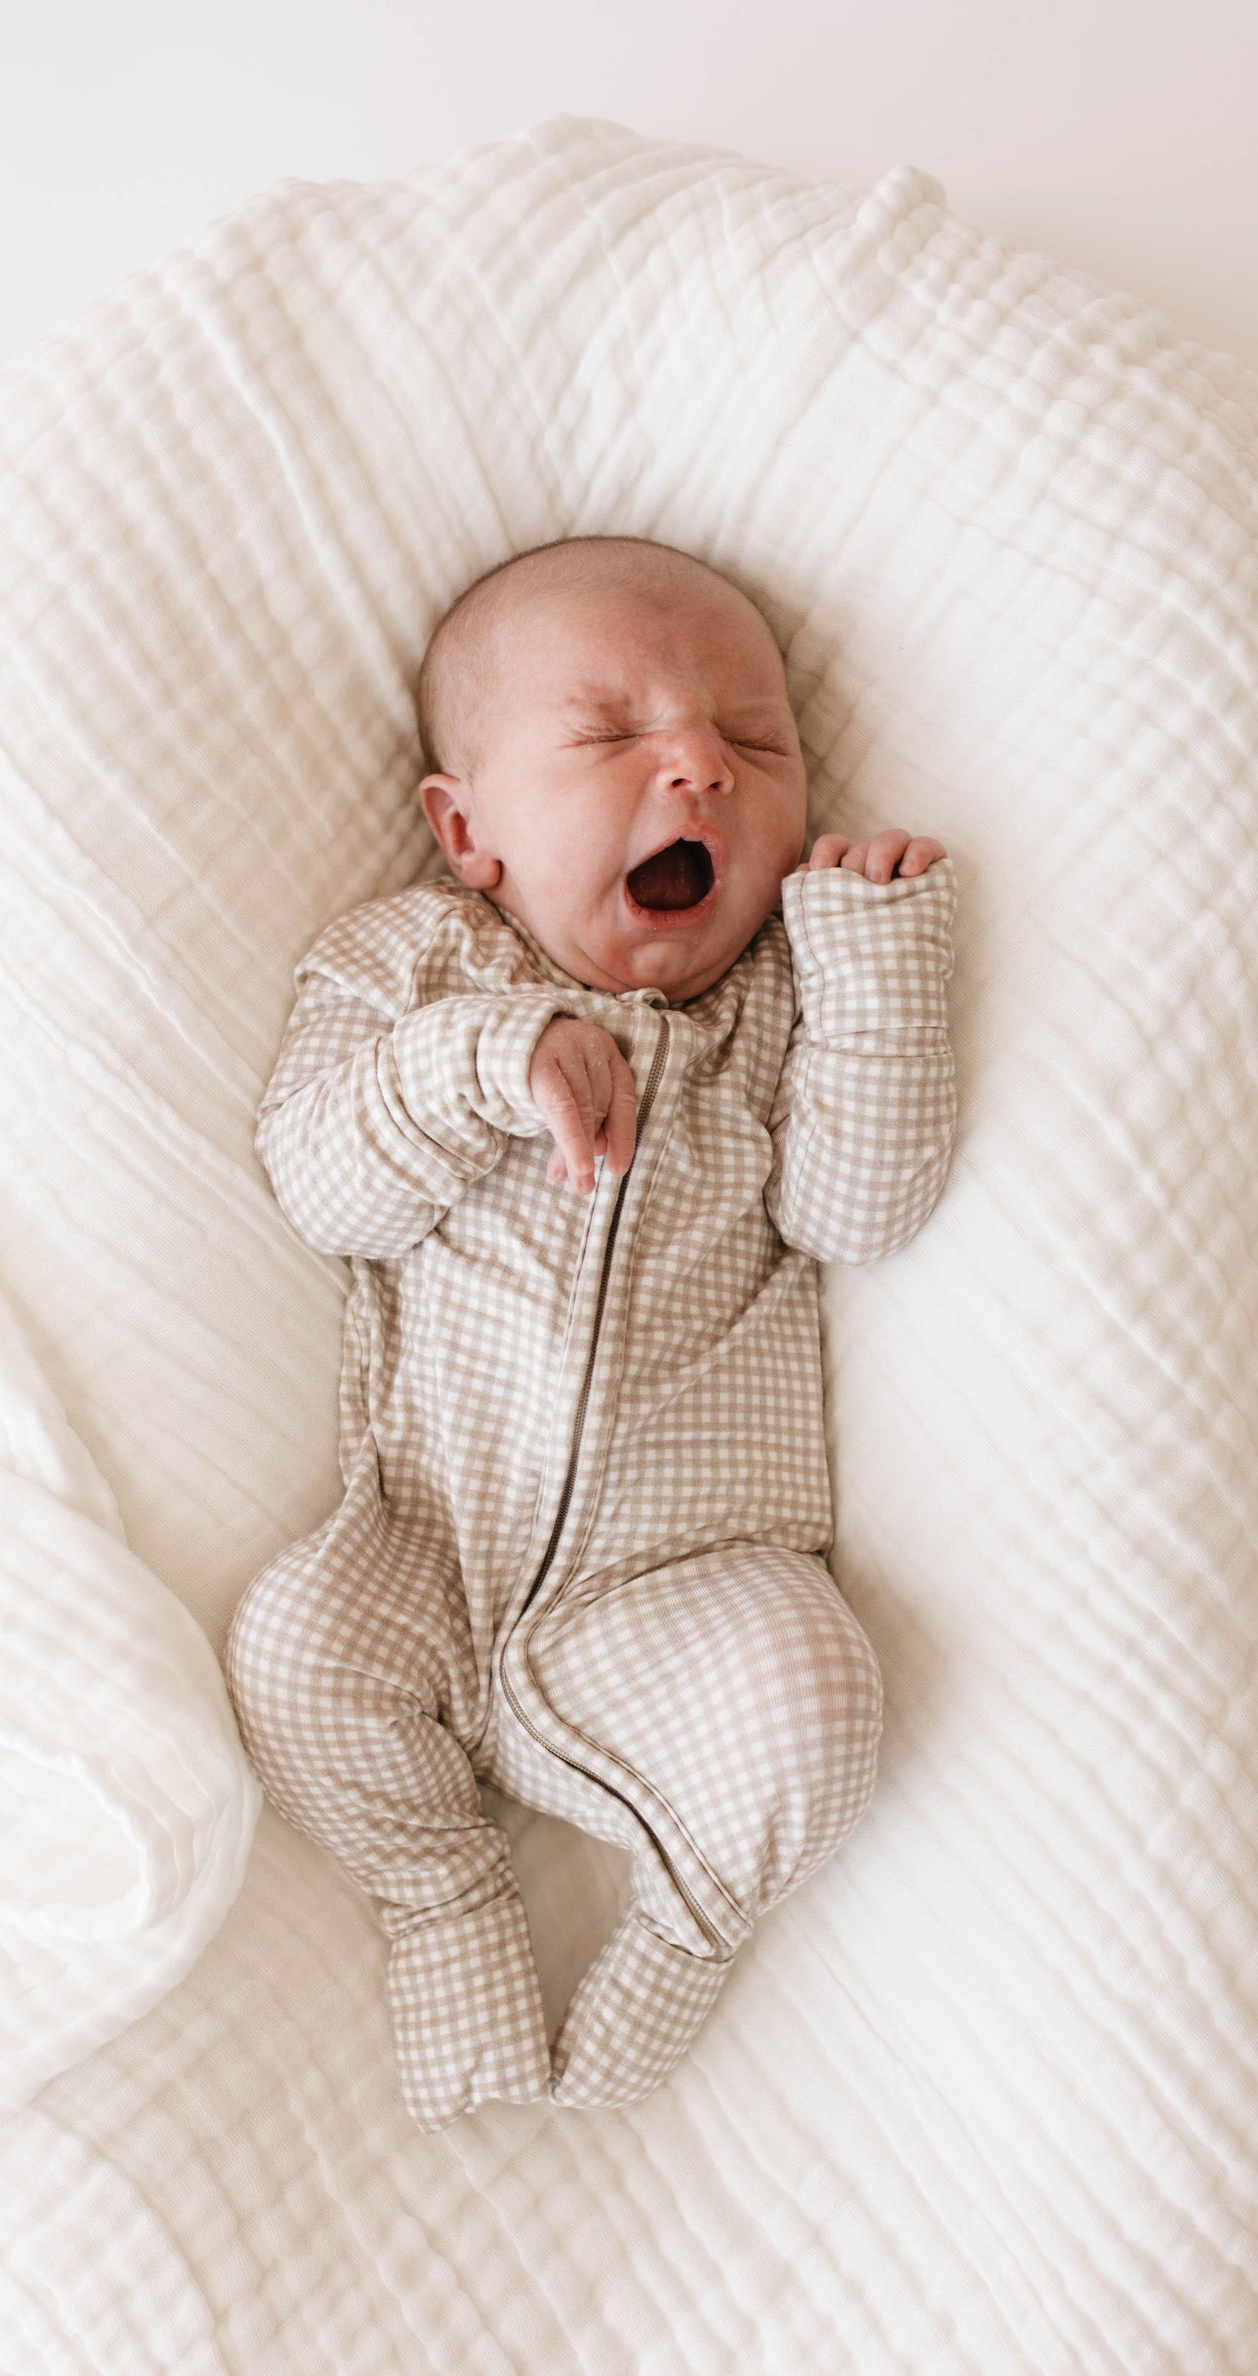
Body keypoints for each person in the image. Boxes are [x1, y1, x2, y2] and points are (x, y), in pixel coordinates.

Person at [223, 535, 958, 2131]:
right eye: (608, 734)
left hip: (675, 1588)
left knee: (819, 1697)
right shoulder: (409, 963)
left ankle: (681, 1940)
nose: (697, 764)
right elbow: (323, 1187)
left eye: (752, 742)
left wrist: (876, 968)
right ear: (463, 825)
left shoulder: (772, 1002)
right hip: (423, 1546)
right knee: (292, 1648)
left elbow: (861, 1210)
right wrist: (484, 1060)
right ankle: (443, 1900)